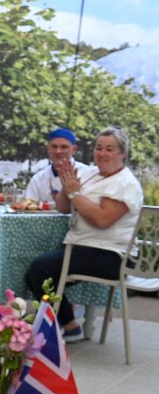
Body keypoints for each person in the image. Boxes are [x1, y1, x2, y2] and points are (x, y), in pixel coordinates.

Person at [25, 127, 143, 343]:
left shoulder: (125, 183)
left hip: (111, 255)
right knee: (40, 269)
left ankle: (61, 326)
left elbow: (101, 220)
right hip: (83, 248)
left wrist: (74, 193)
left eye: (110, 149)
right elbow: (63, 207)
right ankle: (66, 324)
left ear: (123, 153)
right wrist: (65, 185)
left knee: (40, 269)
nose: (102, 153)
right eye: (99, 148)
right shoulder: (90, 173)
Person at [24, 128, 91, 205]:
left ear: (74, 149)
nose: (58, 151)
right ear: (48, 148)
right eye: (54, 146)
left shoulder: (87, 173)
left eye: (64, 147)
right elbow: (28, 204)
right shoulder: (38, 179)